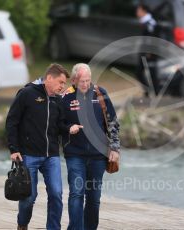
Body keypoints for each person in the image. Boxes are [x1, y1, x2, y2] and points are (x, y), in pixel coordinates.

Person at [5, 63, 81, 230]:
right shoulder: (27, 93)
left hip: (51, 155)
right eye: (60, 82)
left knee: (56, 194)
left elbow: (60, 124)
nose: (63, 86)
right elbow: (12, 121)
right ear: (49, 78)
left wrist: (69, 128)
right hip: (28, 154)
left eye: (64, 83)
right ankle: (22, 224)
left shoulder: (58, 99)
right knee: (29, 198)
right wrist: (14, 149)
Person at [61, 63, 120, 230]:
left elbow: (113, 122)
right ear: (73, 80)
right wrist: (68, 128)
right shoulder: (65, 97)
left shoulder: (101, 93)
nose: (86, 84)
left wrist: (114, 148)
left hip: (98, 155)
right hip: (75, 155)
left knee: (94, 198)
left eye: (88, 80)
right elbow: (58, 124)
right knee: (76, 194)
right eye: (82, 81)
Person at [136, 3, 159, 96]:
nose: (137, 13)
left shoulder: (150, 23)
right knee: (139, 72)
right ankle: (148, 90)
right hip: (144, 51)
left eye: (138, 10)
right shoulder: (144, 22)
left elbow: (151, 38)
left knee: (151, 72)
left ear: (143, 11)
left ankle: (155, 92)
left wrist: (149, 51)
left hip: (149, 52)